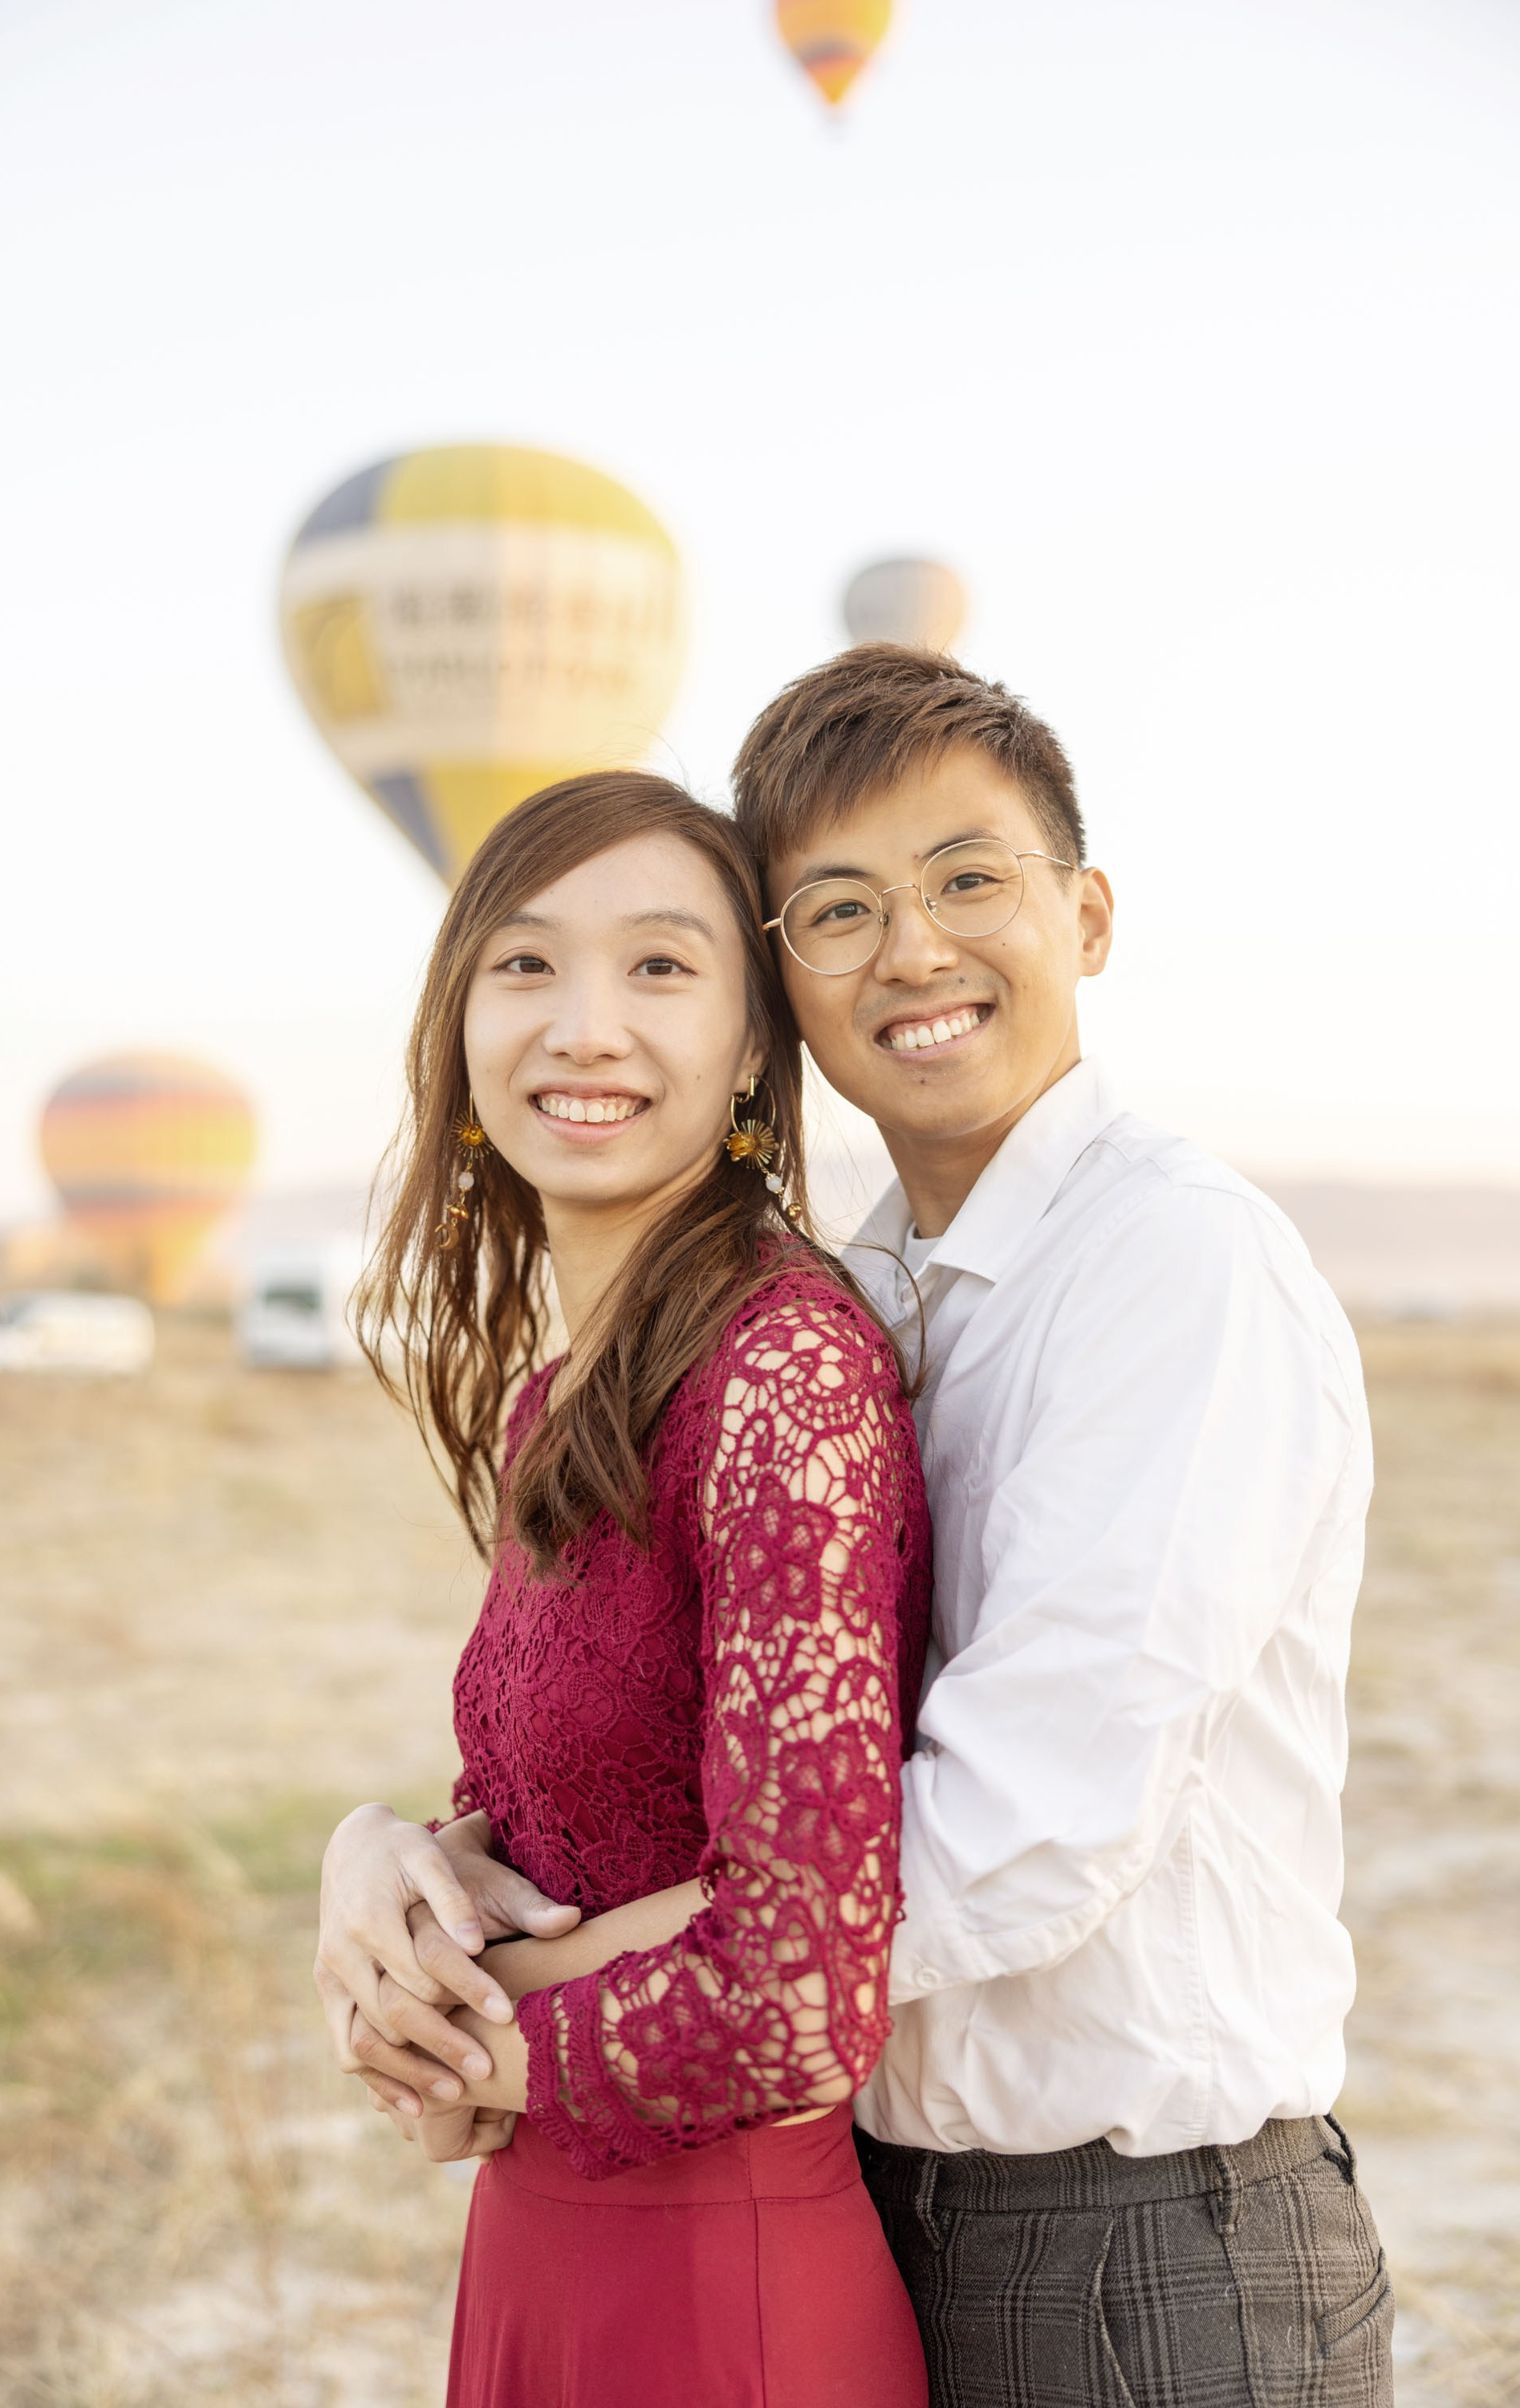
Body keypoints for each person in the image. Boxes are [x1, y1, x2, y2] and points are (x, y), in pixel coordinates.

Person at [329, 646, 1394, 2406]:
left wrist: (526, 2001)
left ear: (1088, 915)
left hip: (1142, 2251)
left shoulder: (1167, 1267)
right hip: (890, 2204)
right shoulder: (881, 1290)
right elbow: (707, 1752)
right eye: (835, 909)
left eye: (967, 880)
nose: (910, 949)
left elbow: (1025, 1828)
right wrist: (400, 1856)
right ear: (793, 993)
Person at [315, 769, 931, 2408]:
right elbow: (566, 1824)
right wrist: (380, 1865)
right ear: (457, 1028)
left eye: (657, 968)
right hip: (541, 2246)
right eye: (524, 966)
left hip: (716, 2287)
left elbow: (799, 1979)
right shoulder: (560, 1398)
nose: (584, 1025)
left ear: (750, 1049)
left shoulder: (781, 1370)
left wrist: (457, 2033)